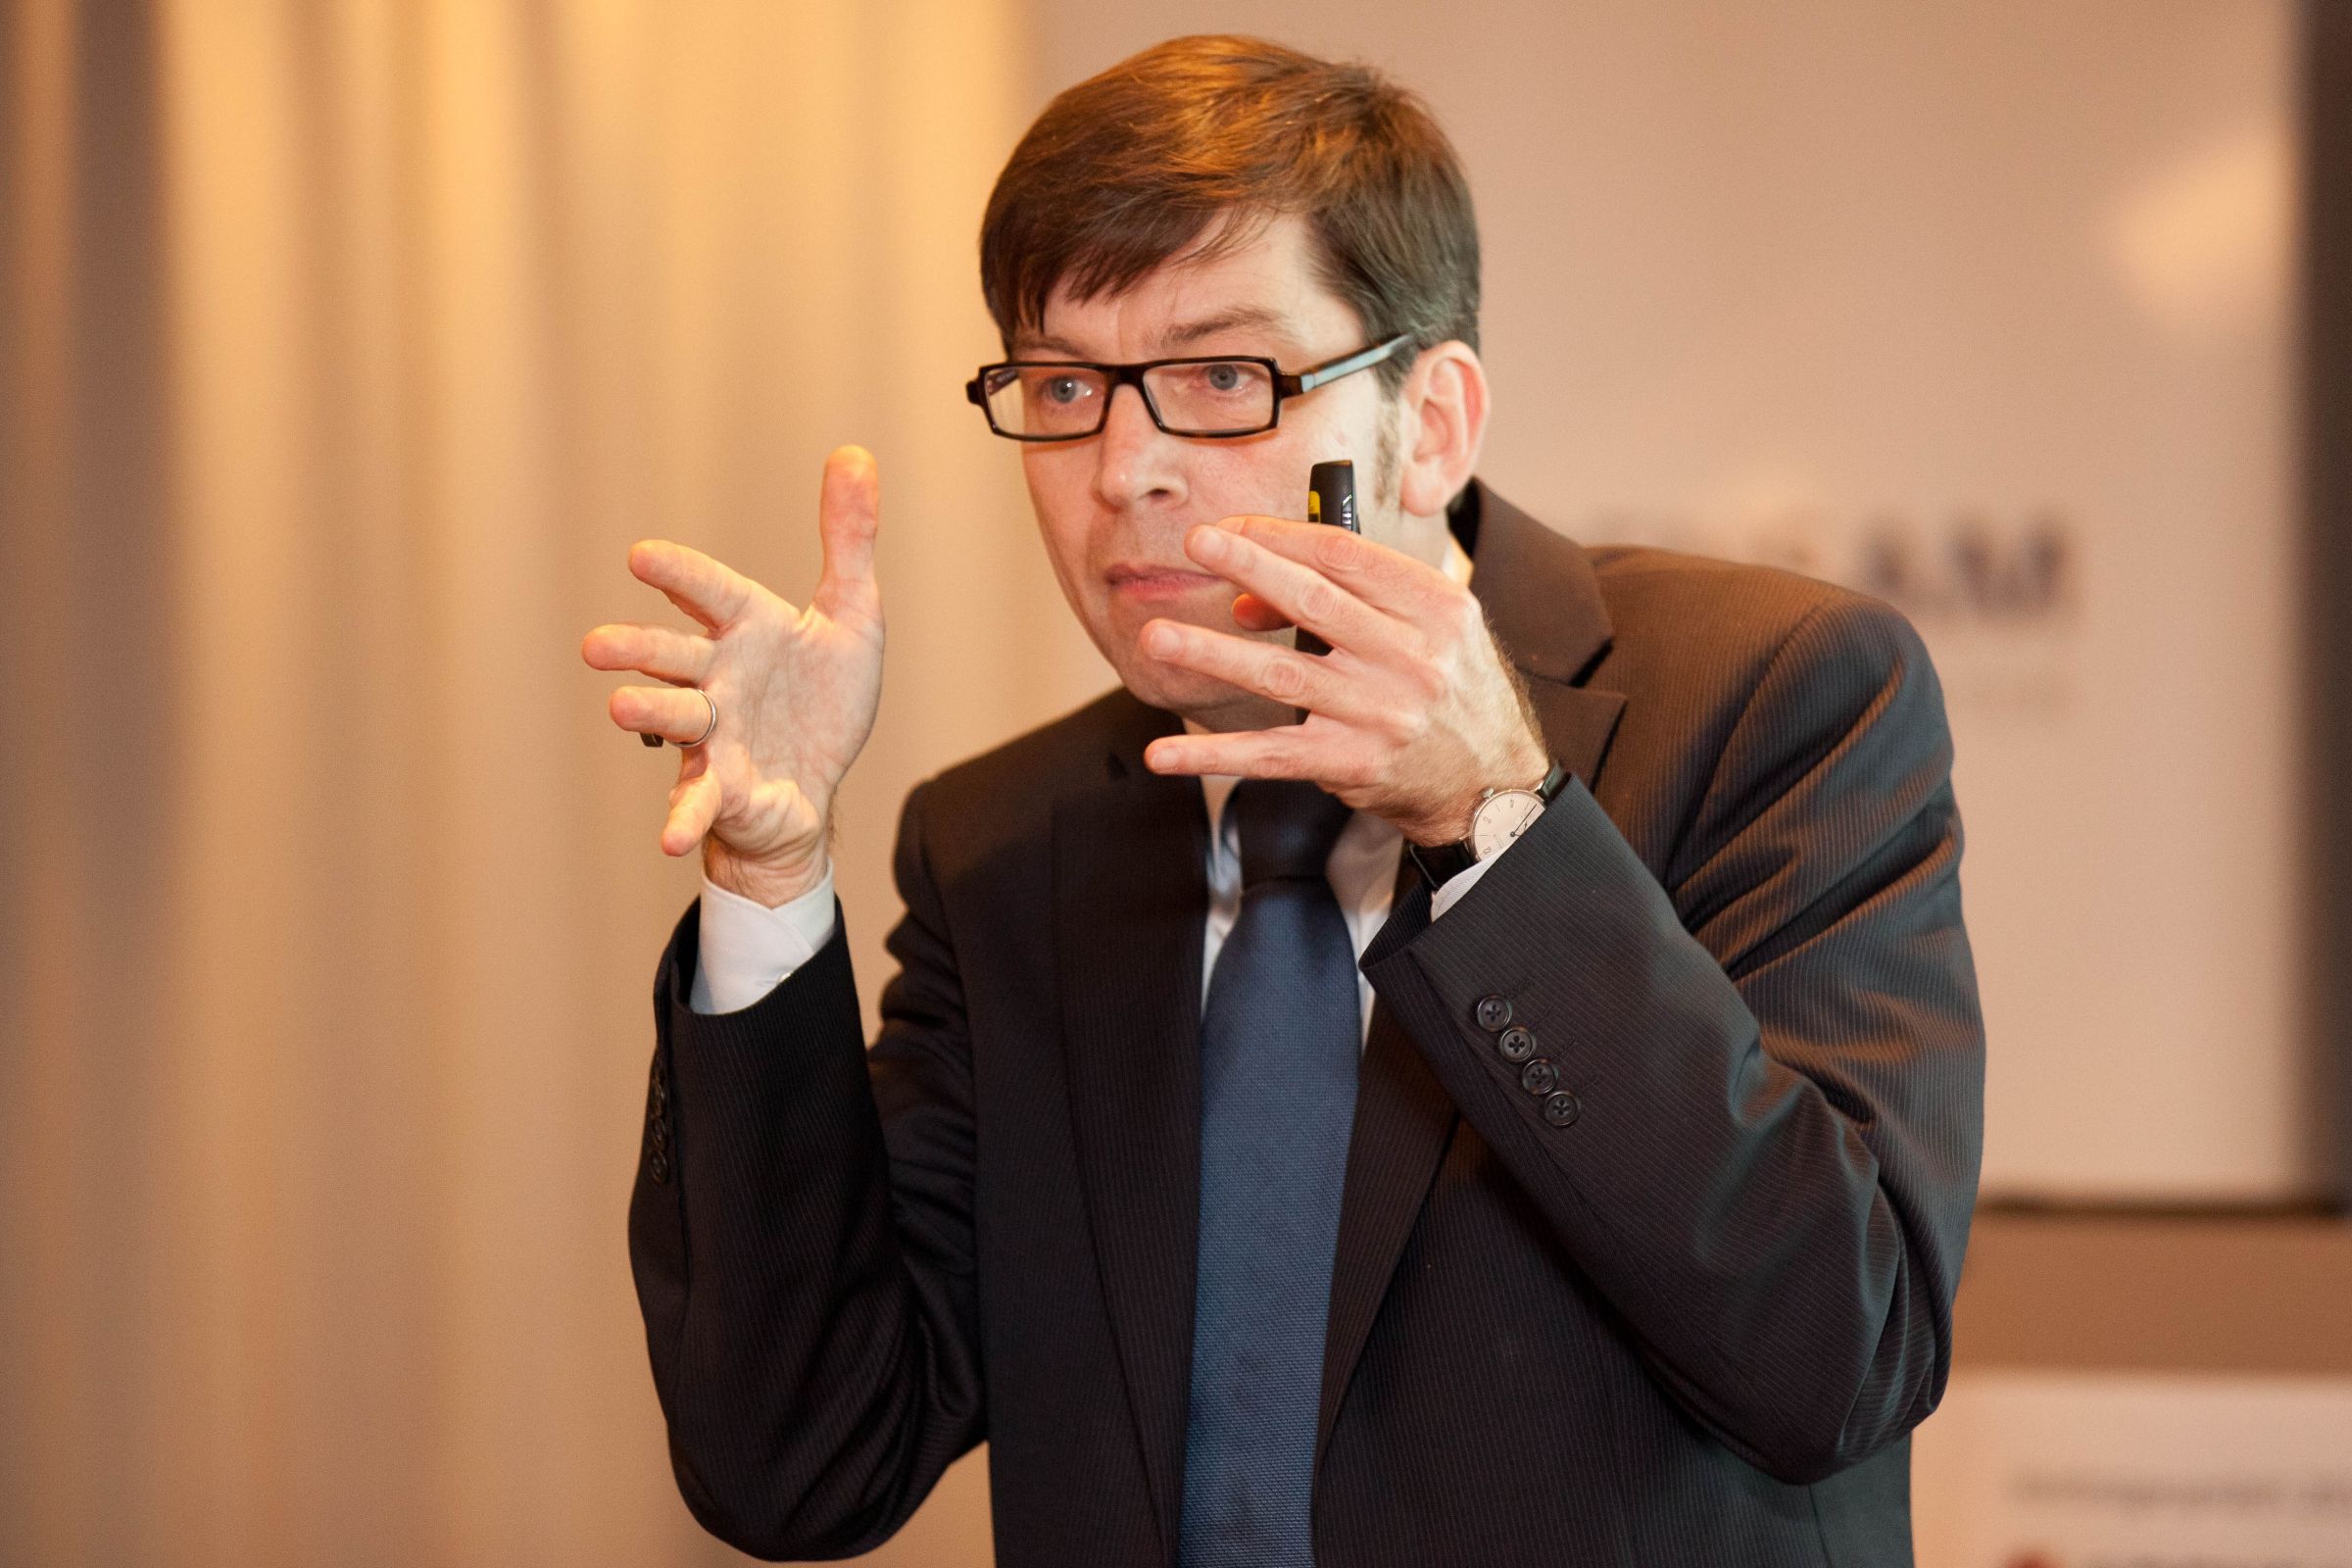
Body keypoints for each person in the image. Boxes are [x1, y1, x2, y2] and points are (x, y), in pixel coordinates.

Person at [582, 33, 1984, 1568]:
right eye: (1067, 384)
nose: (1124, 471)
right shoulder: (1006, 847)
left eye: (1219, 378)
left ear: (1430, 424)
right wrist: (768, 884)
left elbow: (1837, 1353)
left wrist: (1493, 818)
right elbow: (802, 1462)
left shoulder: (1772, 699)